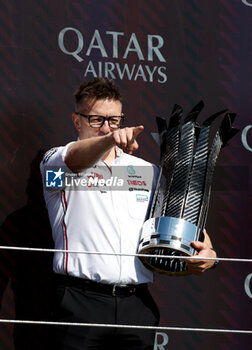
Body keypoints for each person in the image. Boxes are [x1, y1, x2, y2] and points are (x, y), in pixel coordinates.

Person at [40, 77, 217, 350]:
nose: (107, 128)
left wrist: (208, 254)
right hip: (80, 304)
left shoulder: (148, 172)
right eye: (96, 120)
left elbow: (183, 226)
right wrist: (110, 140)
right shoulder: (57, 164)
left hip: (137, 307)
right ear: (77, 121)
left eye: (114, 121)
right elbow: (74, 159)